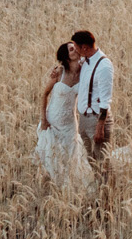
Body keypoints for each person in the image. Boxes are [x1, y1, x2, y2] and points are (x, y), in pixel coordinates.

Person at [34, 42, 95, 191]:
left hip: (70, 124)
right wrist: (43, 119)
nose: (75, 49)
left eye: (75, 47)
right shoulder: (59, 72)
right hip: (52, 121)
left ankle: (69, 189)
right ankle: (52, 187)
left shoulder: (85, 71)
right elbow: (44, 94)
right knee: (51, 155)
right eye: (71, 49)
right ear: (66, 57)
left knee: (70, 157)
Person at [70, 29, 113, 163]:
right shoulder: (85, 61)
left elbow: (105, 100)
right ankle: (97, 184)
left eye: (76, 47)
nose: (75, 50)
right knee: (90, 162)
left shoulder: (104, 66)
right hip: (84, 119)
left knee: (102, 162)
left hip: (96, 120)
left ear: (84, 47)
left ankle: (106, 184)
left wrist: (100, 127)